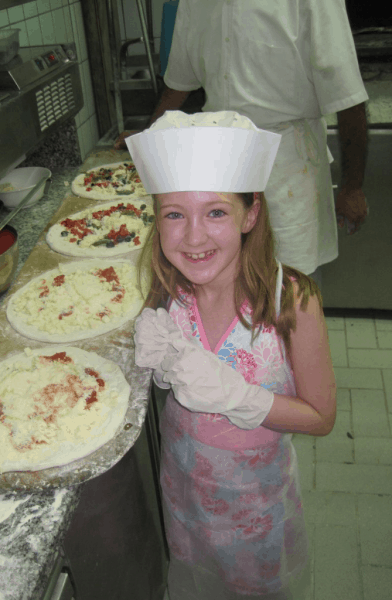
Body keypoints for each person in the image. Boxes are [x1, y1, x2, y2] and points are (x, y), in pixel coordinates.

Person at [126, 111, 337, 600]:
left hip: (254, 512)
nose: (194, 237)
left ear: (251, 214)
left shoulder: (292, 302)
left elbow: (322, 417)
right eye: (174, 214)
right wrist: (156, 346)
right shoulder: (170, 287)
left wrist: (243, 398)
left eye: (216, 212)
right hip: (185, 494)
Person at [115, 0, 369, 282]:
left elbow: (349, 96)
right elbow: (178, 81)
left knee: (291, 282)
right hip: (218, 166)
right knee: (225, 277)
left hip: (287, 168)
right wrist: (148, 134)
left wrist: (352, 186)